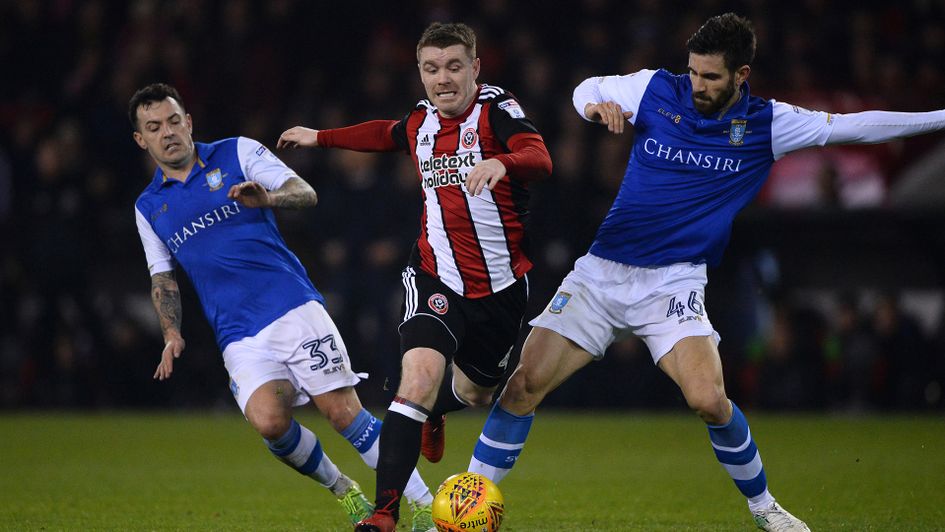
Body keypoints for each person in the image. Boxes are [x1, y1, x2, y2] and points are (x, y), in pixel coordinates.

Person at [466, 13, 945, 532]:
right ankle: (469, 503)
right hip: (601, 274)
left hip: (673, 282)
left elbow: (856, 126)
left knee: (708, 400)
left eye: (711, 77)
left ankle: (765, 509)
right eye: (693, 72)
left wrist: (939, 117)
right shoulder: (656, 88)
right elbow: (586, 89)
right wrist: (595, 106)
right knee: (522, 386)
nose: (697, 84)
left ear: (742, 75)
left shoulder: (768, 124)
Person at [278, 22, 552, 532]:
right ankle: (385, 515)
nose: (442, 79)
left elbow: (540, 158)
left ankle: (434, 413)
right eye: (431, 68)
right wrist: (319, 137)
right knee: (418, 380)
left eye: (453, 66)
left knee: (477, 394)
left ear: (475, 68)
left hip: (501, 289)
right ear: (421, 73)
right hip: (434, 275)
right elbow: (385, 134)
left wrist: (502, 162)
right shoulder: (421, 121)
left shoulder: (498, 112)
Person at [129, 83, 436, 532]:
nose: (168, 133)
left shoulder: (237, 153)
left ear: (188, 122)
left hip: (291, 306)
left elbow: (303, 191)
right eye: (154, 127)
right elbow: (162, 277)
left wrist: (269, 198)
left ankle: (424, 506)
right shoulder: (148, 207)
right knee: (270, 423)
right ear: (142, 140)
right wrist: (171, 333)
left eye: (174, 121)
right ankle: (343, 489)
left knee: (342, 413)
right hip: (235, 333)